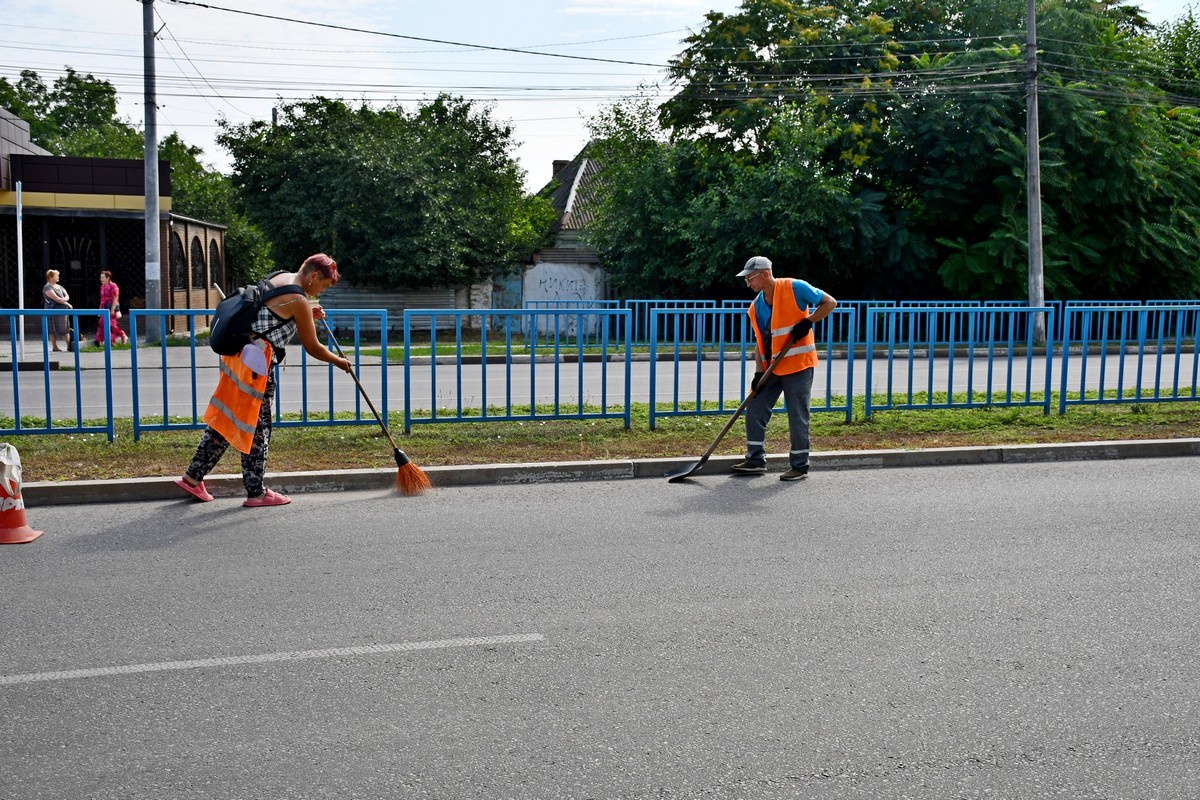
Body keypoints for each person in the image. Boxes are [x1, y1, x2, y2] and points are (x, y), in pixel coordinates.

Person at [175, 253, 352, 507]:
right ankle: (256, 492)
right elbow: (312, 347)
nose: (320, 292)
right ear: (313, 276)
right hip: (256, 367)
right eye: (323, 286)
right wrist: (339, 361)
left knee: (228, 418)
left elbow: (271, 312)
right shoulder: (298, 299)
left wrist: (307, 314)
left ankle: (192, 478)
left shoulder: (281, 277)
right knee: (258, 428)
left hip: (238, 355)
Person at [732, 255, 838, 481]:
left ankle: (799, 466)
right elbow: (760, 343)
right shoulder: (755, 307)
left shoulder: (795, 287)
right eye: (746, 280)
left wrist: (808, 321)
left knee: (797, 414)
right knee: (755, 406)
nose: (748, 284)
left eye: (750, 278)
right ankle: (755, 460)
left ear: (765, 274)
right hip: (772, 368)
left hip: (798, 365)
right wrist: (758, 373)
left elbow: (830, 302)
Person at [95, 270, 129, 346]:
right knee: (101, 323)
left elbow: (115, 298)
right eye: (101, 278)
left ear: (108, 278)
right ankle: (107, 341)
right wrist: (100, 309)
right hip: (103, 308)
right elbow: (102, 298)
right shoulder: (102, 287)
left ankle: (122, 334)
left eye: (102, 277)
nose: (101, 279)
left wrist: (112, 309)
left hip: (111, 308)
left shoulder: (113, 286)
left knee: (111, 325)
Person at [42, 269, 73, 352]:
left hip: (62, 311)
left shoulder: (59, 287)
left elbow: (66, 296)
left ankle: (68, 346)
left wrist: (64, 300)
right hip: (52, 310)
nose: (58, 277)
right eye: (56, 276)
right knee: (52, 328)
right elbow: (56, 298)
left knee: (65, 328)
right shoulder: (47, 287)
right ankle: (55, 347)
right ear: (51, 277)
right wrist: (66, 302)